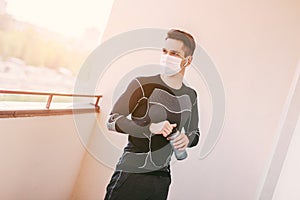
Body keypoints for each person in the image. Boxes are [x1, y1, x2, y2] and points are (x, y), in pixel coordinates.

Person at [104, 29, 200, 200]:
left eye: (174, 53)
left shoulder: (190, 96)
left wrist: (187, 139)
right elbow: (112, 121)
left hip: (161, 179)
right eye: (165, 51)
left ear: (187, 61)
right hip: (130, 173)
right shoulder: (142, 84)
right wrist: (150, 128)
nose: (167, 57)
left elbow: (195, 133)